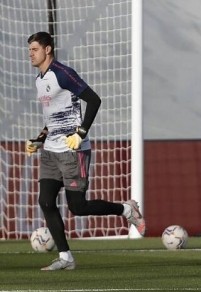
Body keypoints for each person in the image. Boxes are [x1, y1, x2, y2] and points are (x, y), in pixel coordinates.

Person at [26, 32, 146, 271]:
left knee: (77, 207)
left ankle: (126, 209)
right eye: (29, 50)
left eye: (34, 49)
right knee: (46, 201)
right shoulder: (39, 80)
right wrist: (39, 139)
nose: (30, 54)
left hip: (73, 150)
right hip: (51, 151)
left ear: (48, 50)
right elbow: (53, 118)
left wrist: (79, 134)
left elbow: (94, 99)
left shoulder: (63, 73)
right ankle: (66, 257)